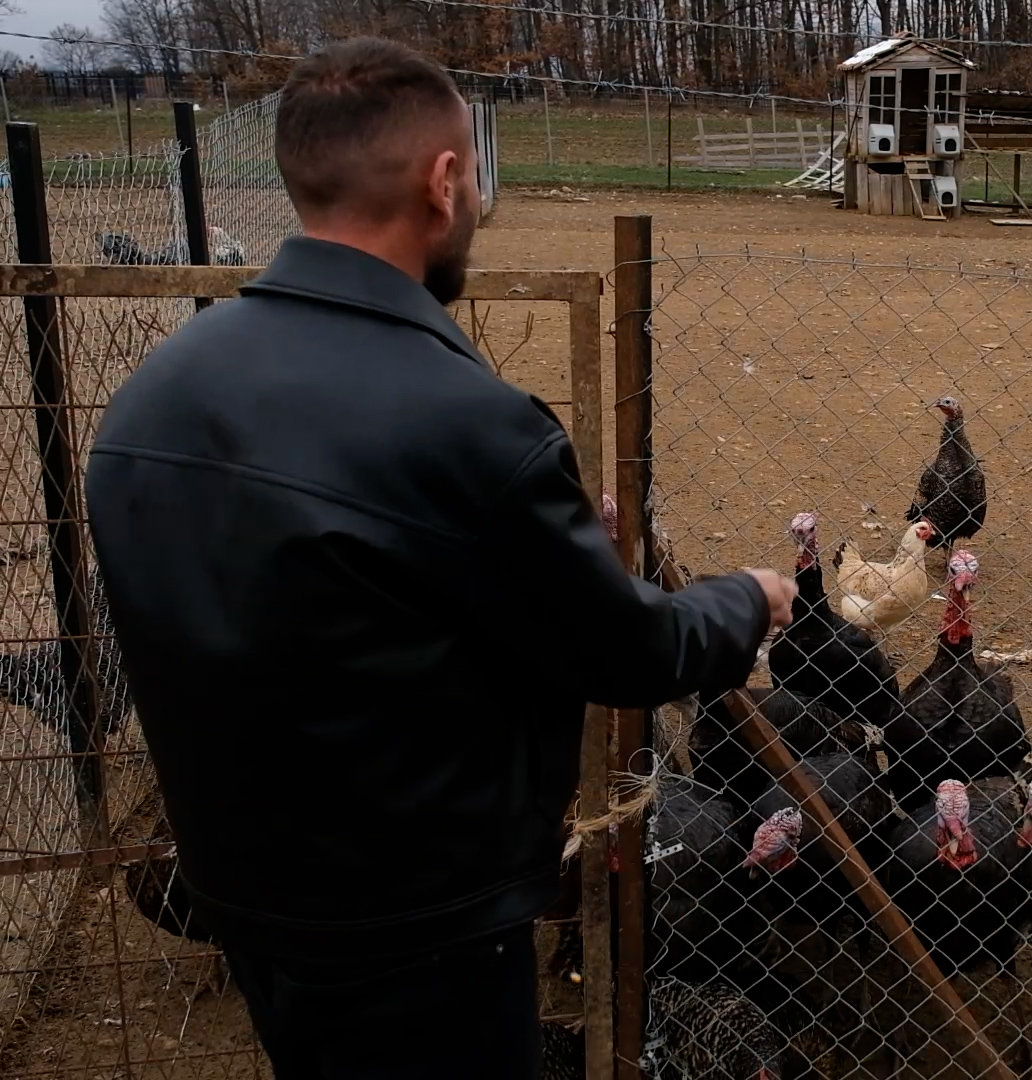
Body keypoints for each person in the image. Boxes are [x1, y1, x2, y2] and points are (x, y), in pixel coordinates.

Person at [84, 38, 794, 1079]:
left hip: (249, 903)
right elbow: (625, 651)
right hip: (420, 931)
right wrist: (746, 600)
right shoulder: (471, 428)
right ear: (445, 180)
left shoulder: (150, 400)